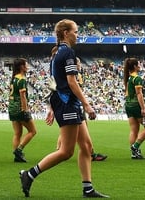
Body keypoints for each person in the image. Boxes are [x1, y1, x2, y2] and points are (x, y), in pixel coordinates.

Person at [19, 19, 108, 198]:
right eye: (75, 31)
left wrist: (52, 107)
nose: (78, 35)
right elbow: (71, 82)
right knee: (66, 151)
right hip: (68, 103)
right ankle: (29, 174)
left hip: (66, 102)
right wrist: (87, 104)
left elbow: (54, 84)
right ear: (66, 33)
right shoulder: (67, 52)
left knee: (86, 145)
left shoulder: (58, 52)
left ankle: (88, 188)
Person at [124, 57, 145, 159]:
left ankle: (134, 153)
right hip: (136, 105)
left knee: (134, 130)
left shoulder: (128, 78)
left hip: (128, 105)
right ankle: (135, 147)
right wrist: (143, 108)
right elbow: (139, 94)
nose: (140, 66)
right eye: (139, 65)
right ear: (135, 67)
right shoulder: (137, 78)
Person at [9, 58, 37, 163]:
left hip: (11, 107)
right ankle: (19, 150)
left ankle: (17, 157)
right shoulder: (22, 79)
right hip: (19, 108)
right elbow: (23, 97)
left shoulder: (13, 78)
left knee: (17, 133)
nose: (28, 66)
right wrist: (25, 110)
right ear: (21, 67)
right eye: (26, 64)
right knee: (32, 131)